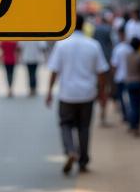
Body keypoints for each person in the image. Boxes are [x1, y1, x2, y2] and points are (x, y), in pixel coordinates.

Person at [46, 13, 109, 174]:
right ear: (83, 26)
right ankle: (83, 161)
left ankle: (70, 151)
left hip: (67, 94)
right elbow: (102, 72)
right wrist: (102, 93)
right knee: (84, 127)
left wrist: (49, 91)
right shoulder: (93, 45)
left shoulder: (61, 44)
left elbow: (54, 70)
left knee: (65, 124)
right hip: (87, 94)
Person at [93, 14, 114, 125]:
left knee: (98, 89)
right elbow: (112, 44)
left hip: (95, 64)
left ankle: (99, 114)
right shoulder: (109, 30)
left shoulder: (96, 30)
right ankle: (103, 114)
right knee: (105, 89)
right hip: (106, 63)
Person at [110, 26, 132, 123]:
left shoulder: (117, 49)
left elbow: (114, 64)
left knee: (122, 98)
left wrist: (114, 75)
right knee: (128, 98)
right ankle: (129, 115)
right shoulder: (130, 48)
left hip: (120, 77)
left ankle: (125, 115)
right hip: (129, 77)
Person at [126, 37, 140, 136]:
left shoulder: (128, 56)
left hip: (129, 82)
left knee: (132, 105)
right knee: (137, 106)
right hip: (138, 82)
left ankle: (132, 125)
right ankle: (136, 126)